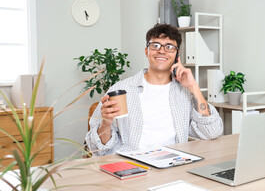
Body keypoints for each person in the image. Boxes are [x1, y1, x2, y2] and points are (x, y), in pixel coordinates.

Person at [85, 23, 223, 156]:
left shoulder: (185, 93)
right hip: (131, 166)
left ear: (176, 54)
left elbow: (211, 131)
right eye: (155, 45)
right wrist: (106, 123)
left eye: (169, 46)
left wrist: (194, 87)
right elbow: (97, 148)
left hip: (173, 164)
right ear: (147, 51)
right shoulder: (120, 89)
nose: (162, 50)